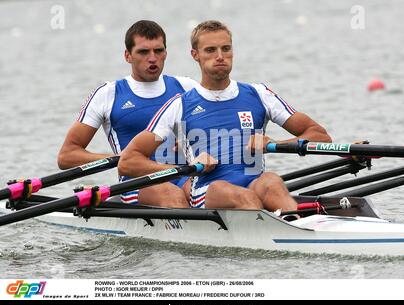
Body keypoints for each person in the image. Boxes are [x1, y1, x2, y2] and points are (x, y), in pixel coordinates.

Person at [118, 20, 331, 212]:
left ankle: (298, 227)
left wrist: (274, 143)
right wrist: (184, 169)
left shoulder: (258, 94)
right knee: (238, 195)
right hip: (208, 189)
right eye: (210, 50)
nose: (220, 56)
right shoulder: (179, 105)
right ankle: (271, 232)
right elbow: (128, 162)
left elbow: (319, 136)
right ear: (195, 55)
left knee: (272, 181)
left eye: (226, 49)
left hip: (254, 182)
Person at [57, 20, 199, 207]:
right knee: (170, 194)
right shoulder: (108, 94)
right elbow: (67, 156)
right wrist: (123, 158)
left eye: (158, 51)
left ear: (165, 53)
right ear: (127, 55)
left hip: (181, 174)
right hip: (137, 182)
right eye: (143, 52)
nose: (152, 58)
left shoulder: (187, 87)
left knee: (208, 191)